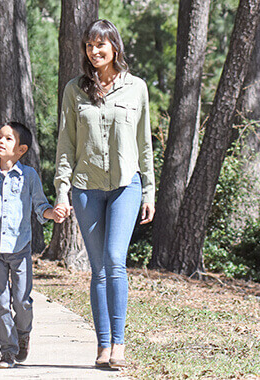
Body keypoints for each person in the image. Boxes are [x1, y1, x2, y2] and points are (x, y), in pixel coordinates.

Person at [53, 19, 156, 370]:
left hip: (126, 185)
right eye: (89, 45)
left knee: (115, 260)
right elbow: (66, 144)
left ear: (115, 47)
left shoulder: (136, 88)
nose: (94, 51)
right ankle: (102, 345)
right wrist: (62, 191)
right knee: (98, 269)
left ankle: (119, 343)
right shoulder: (74, 89)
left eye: (101, 45)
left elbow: (145, 144)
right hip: (85, 188)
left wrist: (149, 192)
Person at [0, 122, 64, 369]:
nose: (0, 141)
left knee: (22, 301)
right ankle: (7, 352)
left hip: (20, 249)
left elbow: (40, 207)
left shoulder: (29, 176)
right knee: (0, 303)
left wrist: (52, 214)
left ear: (21, 149)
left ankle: (23, 335)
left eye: (8, 139)